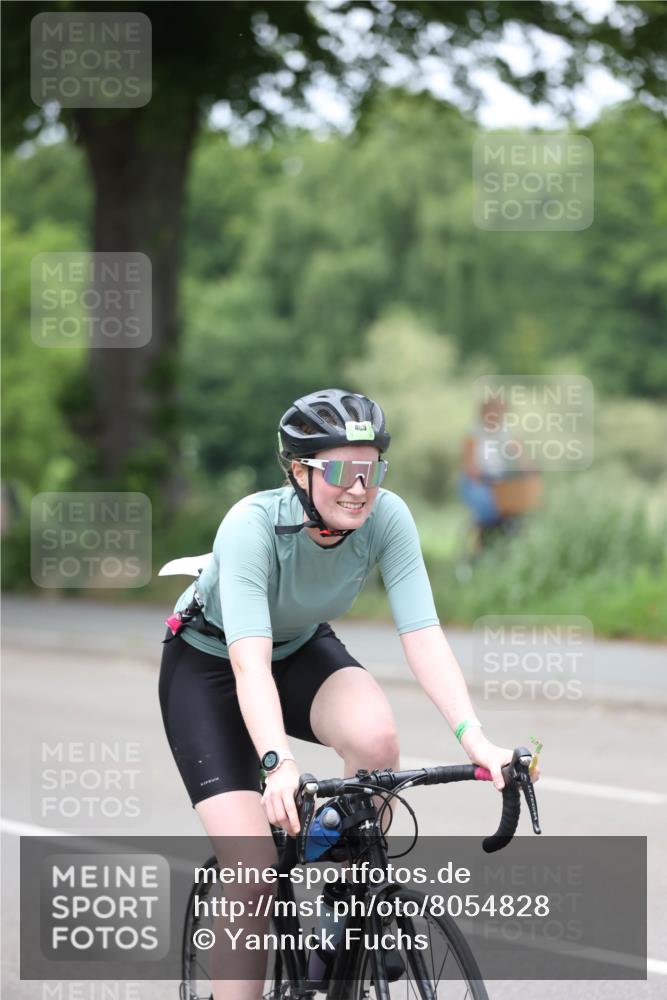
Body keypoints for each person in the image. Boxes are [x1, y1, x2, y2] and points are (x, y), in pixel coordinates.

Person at [159, 388, 540, 999]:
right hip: (212, 665)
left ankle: (345, 919)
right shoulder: (252, 526)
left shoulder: (388, 518)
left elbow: (424, 635)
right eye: (339, 470)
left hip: (301, 647)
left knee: (378, 741)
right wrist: (277, 763)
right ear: (298, 471)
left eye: (369, 469)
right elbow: (249, 664)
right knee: (253, 871)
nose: (358, 487)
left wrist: (477, 739)